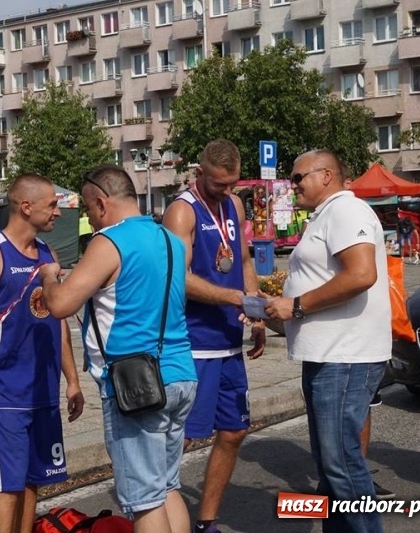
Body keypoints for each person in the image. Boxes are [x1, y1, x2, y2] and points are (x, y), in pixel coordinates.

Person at [40, 165, 196, 533]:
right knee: (168, 486)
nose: (89, 219)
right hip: (180, 373)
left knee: (144, 501)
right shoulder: (169, 239)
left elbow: (61, 304)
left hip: (136, 385)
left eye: (88, 210)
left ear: (101, 201)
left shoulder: (109, 241)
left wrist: (49, 276)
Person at [265, 149, 390, 533]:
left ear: (326, 176)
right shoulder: (327, 215)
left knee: (341, 463)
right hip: (328, 355)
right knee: (331, 466)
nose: (293, 184)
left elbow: (360, 275)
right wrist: (274, 309)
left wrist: (297, 306)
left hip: (345, 356)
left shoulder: (346, 211)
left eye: (298, 176)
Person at [0, 173, 84, 533]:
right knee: (7, 486)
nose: (58, 213)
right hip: (5, 393)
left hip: (43, 391)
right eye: (52, 205)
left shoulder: (48, 255)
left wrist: (72, 380)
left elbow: (57, 322)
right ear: (26, 207)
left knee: (34, 480)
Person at [161, 139, 265, 533]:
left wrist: (253, 312)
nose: (227, 191)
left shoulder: (235, 205)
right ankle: (152, 511)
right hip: (194, 343)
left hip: (228, 340)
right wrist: (234, 296)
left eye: (232, 184)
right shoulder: (181, 213)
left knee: (235, 430)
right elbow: (178, 279)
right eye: (219, 184)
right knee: (184, 438)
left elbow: (243, 260)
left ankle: (207, 522)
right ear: (200, 172)